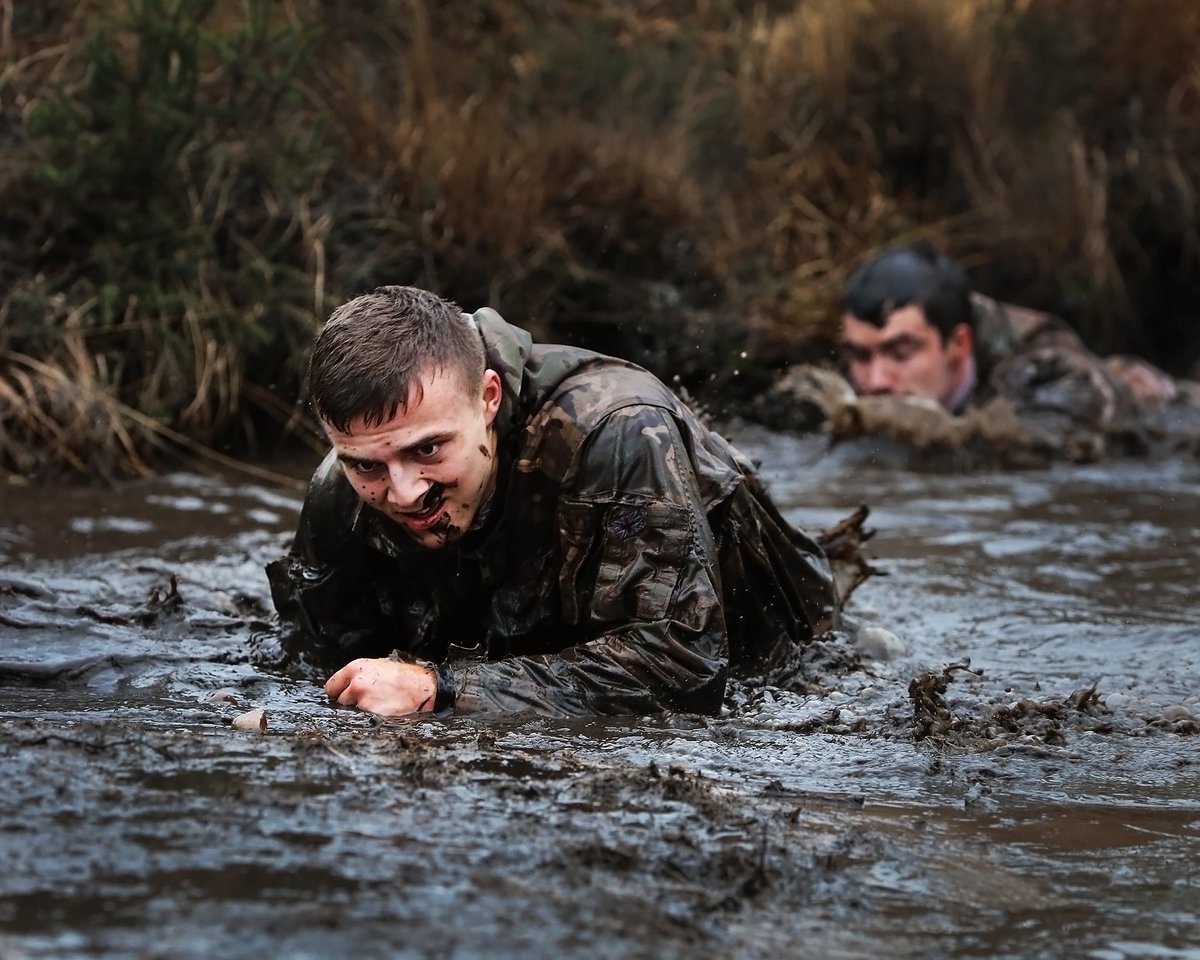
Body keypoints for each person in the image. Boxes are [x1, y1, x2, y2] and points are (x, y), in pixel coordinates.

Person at [267, 285, 847, 719]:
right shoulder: (339, 493)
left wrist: (440, 691)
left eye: (430, 449)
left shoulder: (617, 433)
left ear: (488, 398)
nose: (404, 491)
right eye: (367, 463)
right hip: (535, 637)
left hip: (783, 665)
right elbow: (313, 659)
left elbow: (685, 669)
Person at [770, 243, 1200, 461]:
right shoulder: (875, 378)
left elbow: (1046, 459)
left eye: (901, 352)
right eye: (861, 356)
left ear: (958, 345)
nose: (876, 381)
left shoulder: (1048, 371)